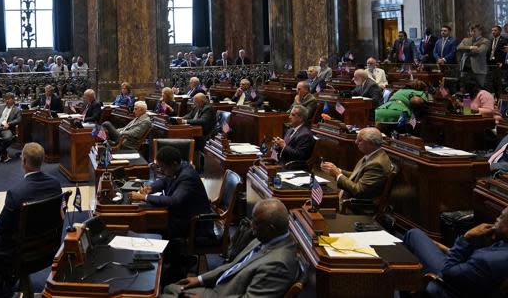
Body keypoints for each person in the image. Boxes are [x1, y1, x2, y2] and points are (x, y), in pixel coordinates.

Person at [160, 199, 298, 298]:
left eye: (255, 223)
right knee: (169, 288)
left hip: (222, 294)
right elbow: (233, 266)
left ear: (270, 228)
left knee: (168, 293)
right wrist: (200, 279)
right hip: (221, 286)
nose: (251, 227)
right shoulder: (266, 238)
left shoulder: (279, 265)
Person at [403, 207, 508, 298]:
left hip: (447, 288)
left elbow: (447, 272)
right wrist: (450, 250)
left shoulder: (488, 260)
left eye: (501, 217)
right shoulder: (502, 247)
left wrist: (466, 238)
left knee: (414, 235)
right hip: (469, 281)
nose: (496, 219)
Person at [0, 143, 62, 255]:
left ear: (24, 161)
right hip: (48, 246)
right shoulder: (56, 185)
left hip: (20, 252)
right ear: (41, 160)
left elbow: (2, 228)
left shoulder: (15, 193)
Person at [130, 146, 212, 240]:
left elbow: (174, 201)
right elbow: (165, 180)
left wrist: (144, 197)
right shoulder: (178, 167)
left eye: (163, 168)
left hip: (192, 223)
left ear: (173, 164)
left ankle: (166, 253)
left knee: (148, 226)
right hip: (180, 214)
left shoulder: (187, 177)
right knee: (148, 221)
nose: (161, 171)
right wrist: (151, 188)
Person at [320, 127, 392, 204]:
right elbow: (358, 175)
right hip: (347, 197)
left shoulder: (377, 164)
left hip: (356, 207)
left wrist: (338, 174)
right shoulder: (373, 155)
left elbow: (358, 191)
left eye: (360, 140)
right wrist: (337, 170)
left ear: (370, 142)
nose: (356, 142)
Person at [0, 93, 21, 163]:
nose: (7, 100)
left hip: (7, 128)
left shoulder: (17, 109)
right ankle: (3, 152)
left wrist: (9, 124)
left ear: (13, 100)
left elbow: (18, 120)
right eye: (6, 99)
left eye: (9, 99)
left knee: (8, 138)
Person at [488, 25, 507, 93]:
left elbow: (505, 53)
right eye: (492, 30)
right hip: (490, 64)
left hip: (499, 64)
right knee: (492, 83)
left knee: (499, 84)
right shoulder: (491, 40)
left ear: (500, 31)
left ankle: (500, 100)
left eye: (495, 30)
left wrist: (503, 63)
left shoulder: (504, 40)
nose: (493, 32)